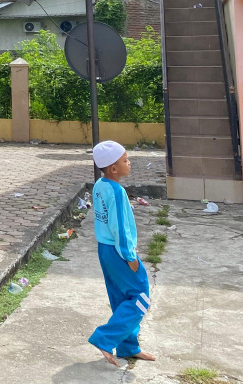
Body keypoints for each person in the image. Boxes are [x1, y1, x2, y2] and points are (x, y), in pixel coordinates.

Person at [88, 140, 155, 367]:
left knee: (121, 299)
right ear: (114, 169)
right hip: (119, 251)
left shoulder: (99, 185)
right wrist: (130, 256)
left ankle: (128, 347)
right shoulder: (116, 191)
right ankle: (105, 338)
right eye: (125, 160)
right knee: (140, 296)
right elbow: (119, 227)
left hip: (105, 250)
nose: (130, 163)